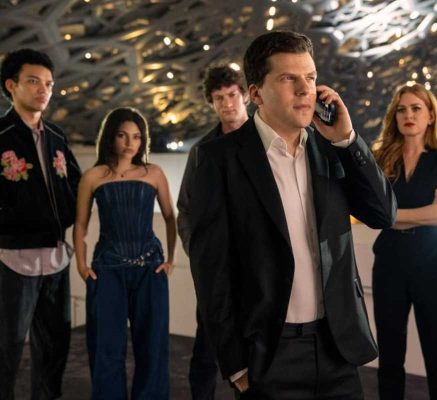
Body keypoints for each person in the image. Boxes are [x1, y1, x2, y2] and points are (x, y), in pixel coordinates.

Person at [187, 31, 396, 399]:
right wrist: (235, 362)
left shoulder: (332, 150)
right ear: (255, 93)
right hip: (268, 354)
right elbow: (211, 268)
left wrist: (347, 139)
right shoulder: (217, 159)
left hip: (338, 347)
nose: (305, 90)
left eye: (310, 78)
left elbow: (383, 213)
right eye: (288, 78)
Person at [73, 107, 176, 399]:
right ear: (110, 137)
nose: (130, 143)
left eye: (136, 136)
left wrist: (171, 260)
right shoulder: (93, 176)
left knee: (153, 346)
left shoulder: (154, 173)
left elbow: (171, 218)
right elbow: (80, 225)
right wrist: (81, 266)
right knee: (105, 347)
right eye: (122, 135)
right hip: (107, 270)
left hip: (150, 269)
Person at [370, 83, 437, 399]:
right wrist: (425, 211)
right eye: (401, 109)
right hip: (389, 262)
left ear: (430, 115)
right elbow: (374, 214)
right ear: (394, 116)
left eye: (416, 108)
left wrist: (394, 216)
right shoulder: (380, 159)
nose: (408, 115)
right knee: (389, 354)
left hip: (432, 263)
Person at [0, 48, 81, 400]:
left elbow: (77, 184)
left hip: (56, 259)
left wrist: (68, 219)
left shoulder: (57, 136)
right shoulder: (2, 135)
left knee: (54, 349)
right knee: (6, 350)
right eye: (33, 81)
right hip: (12, 260)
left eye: (48, 83)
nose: (43, 90)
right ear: (11, 85)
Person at [177, 65, 249, 400]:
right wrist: (200, 255)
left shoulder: (266, 141)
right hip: (216, 268)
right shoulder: (201, 152)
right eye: (219, 98)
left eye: (232, 95)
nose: (227, 103)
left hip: (258, 266)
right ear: (211, 102)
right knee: (206, 349)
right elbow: (186, 209)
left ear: (245, 95)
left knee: (256, 352)